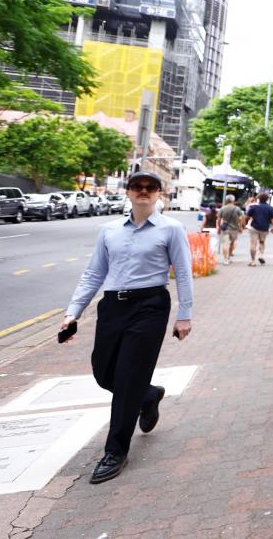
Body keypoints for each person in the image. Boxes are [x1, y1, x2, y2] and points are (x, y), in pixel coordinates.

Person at [59, 170, 193, 485]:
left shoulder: (171, 229)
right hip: (112, 306)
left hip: (150, 306)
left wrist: (184, 314)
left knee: (129, 374)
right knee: (103, 372)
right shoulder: (109, 231)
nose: (143, 192)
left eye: (150, 187)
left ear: (160, 193)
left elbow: (183, 273)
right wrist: (72, 313)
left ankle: (115, 450)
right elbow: (93, 273)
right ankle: (147, 396)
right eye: (137, 187)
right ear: (128, 192)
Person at [244, 192, 273, 266]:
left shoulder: (254, 207)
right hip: (264, 228)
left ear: (258, 198)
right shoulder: (270, 208)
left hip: (254, 227)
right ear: (267, 199)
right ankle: (261, 256)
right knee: (262, 242)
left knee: (253, 244)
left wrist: (246, 223)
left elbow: (247, 217)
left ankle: (253, 261)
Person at [217, 194, 243, 266]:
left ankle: (225, 259)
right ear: (233, 200)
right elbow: (241, 219)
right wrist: (240, 227)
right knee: (232, 244)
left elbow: (218, 219)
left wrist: (219, 227)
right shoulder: (237, 209)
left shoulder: (222, 208)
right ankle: (228, 257)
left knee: (225, 243)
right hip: (234, 229)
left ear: (226, 200)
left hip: (225, 229)